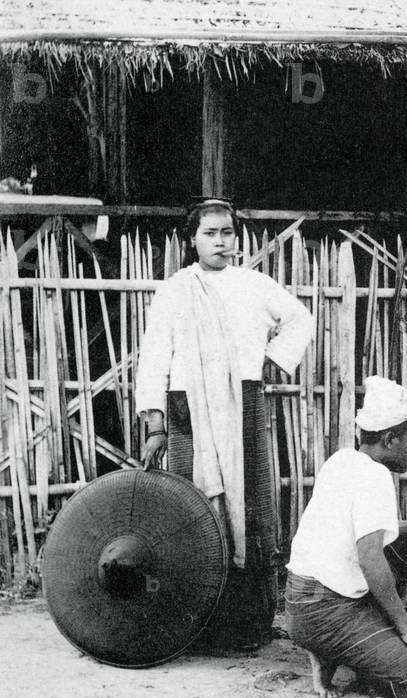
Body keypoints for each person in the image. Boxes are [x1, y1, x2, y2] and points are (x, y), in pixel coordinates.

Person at [135, 198, 314, 651]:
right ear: (192, 239)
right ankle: (195, 622)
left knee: (251, 507)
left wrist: (272, 361)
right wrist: (156, 424)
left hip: (243, 405)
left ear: (237, 236)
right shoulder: (176, 289)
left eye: (227, 232)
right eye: (210, 233)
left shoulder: (254, 284)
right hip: (187, 408)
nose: (220, 241)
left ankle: (250, 622)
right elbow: (155, 356)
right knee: (192, 507)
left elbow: (299, 319)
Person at [285, 376, 407, 698]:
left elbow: (377, 530)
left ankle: (329, 650)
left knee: (400, 568)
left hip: (300, 602)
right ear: (391, 439)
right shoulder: (375, 477)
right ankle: (344, 656)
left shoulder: (342, 460)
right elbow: (370, 557)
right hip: (327, 611)